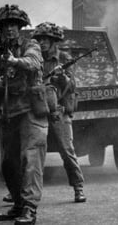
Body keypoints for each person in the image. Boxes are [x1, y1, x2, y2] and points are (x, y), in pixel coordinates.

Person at [0, 5, 46, 224]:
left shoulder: (31, 45)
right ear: (0, 30)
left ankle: (30, 209)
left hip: (31, 110)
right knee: (8, 165)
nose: (9, 29)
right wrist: (1, 83)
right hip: (9, 113)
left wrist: (14, 62)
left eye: (13, 25)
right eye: (5, 26)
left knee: (31, 160)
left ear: (20, 28)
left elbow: (33, 63)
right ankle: (19, 205)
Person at [33, 22, 86, 203]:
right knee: (31, 153)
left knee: (67, 150)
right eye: (40, 39)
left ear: (53, 40)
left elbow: (72, 86)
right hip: (39, 110)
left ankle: (78, 187)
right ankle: (19, 191)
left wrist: (62, 77)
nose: (42, 42)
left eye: (46, 39)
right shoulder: (35, 58)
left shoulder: (64, 58)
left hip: (59, 110)